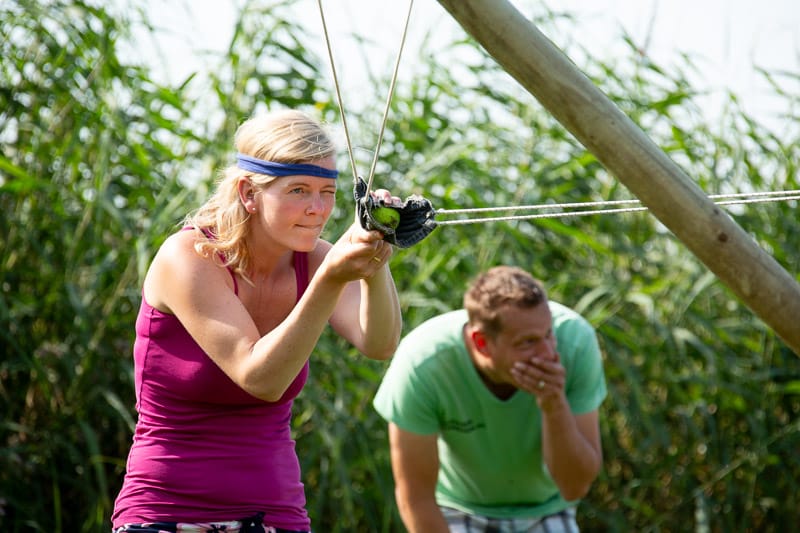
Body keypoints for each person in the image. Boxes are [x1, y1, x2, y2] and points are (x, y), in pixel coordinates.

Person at [112, 109, 403, 533]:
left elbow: (379, 344)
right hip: (166, 509)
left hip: (275, 511)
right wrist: (330, 279)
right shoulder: (190, 257)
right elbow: (260, 378)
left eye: (327, 192)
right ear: (249, 193)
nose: (318, 210)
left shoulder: (316, 260)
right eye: (299, 190)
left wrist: (376, 258)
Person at [373, 265, 607, 533]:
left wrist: (554, 405)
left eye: (548, 334)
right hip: (458, 508)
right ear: (481, 343)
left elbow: (574, 487)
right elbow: (416, 498)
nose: (548, 353)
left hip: (547, 508)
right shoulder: (423, 363)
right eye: (528, 342)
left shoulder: (576, 342)